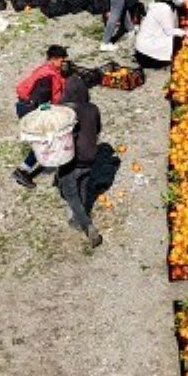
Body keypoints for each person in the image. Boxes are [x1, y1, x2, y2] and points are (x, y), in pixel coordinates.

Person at [53, 77, 104, 248]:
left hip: (71, 158)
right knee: (83, 184)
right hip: (90, 156)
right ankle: (77, 218)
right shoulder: (93, 108)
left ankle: (87, 225)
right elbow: (97, 129)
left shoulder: (63, 111)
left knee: (70, 193)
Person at [12, 45, 70, 188]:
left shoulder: (46, 70)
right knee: (43, 141)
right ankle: (23, 170)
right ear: (54, 59)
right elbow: (42, 101)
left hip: (26, 105)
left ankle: (36, 165)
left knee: (41, 141)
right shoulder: (47, 78)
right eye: (62, 61)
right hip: (30, 109)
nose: (63, 64)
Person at [135, 0, 188, 70]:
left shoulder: (161, 6)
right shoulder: (165, 10)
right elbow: (169, 31)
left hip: (141, 46)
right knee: (171, 43)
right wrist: (184, 32)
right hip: (146, 50)